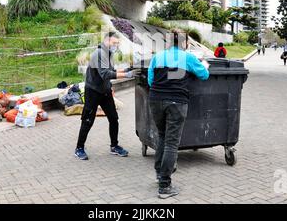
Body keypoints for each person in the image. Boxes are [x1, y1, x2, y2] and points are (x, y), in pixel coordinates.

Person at [148, 29, 209, 199]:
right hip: (176, 102)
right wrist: (203, 65)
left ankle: (159, 173)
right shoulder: (188, 58)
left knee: (162, 136)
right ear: (184, 43)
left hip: (155, 100)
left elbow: (150, 80)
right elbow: (204, 75)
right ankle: (164, 186)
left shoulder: (158, 57)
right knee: (171, 143)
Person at [75, 32, 139, 160]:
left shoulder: (108, 54)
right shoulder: (99, 54)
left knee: (113, 118)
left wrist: (126, 70)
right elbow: (105, 74)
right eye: (114, 43)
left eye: (117, 44)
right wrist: (127, 75)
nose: (116, 46)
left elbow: (111, 71)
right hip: (93, 91)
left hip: (105, 91)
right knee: (88, 120)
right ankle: (79, 148)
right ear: (107, 41)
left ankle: (114, 146)